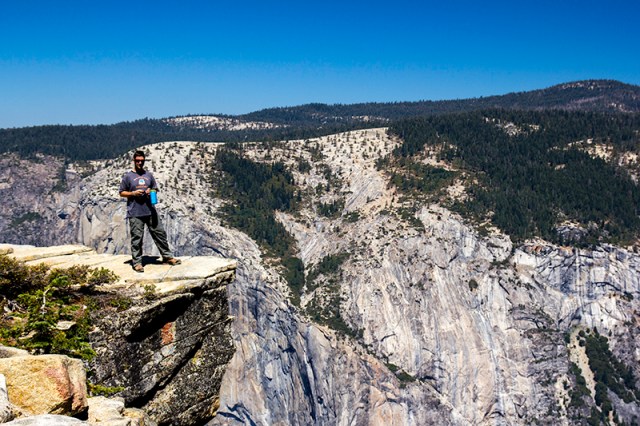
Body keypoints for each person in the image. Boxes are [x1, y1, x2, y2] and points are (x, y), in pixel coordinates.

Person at [119, 150, 181, 272]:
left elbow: (155, 188)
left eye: (142, 161)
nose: (140, 163)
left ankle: (167, 257)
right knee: (137, 238)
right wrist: (133, 193)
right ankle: (137, 263)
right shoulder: (128, 177)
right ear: (134, 161)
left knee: (160, 234)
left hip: (150, 210)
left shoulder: (148, 175)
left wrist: (150, 191)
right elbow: (121, 192)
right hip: (135, 212)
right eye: (137, 160)